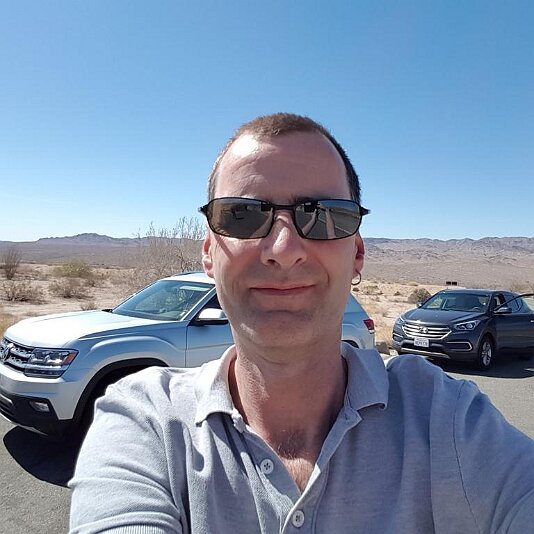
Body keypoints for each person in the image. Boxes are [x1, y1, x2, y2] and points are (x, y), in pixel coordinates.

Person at [69, 113, 534, 533]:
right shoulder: (145, 422)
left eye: (323, 216)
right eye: (243, 215)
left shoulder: (444, 418)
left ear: (357, 253)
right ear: (209, 253)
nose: (283, 249)